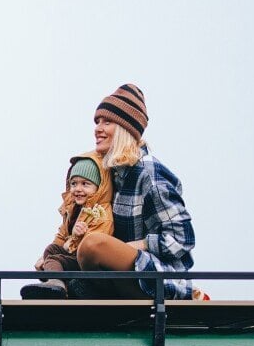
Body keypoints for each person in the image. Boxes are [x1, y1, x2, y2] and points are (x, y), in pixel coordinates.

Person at [69, 84, 197, 300]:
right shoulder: (114, 175)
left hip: (159, 276)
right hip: (126, 275)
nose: (98, 128)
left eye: (107, 122)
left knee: (93, 244)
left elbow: (182, 239)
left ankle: (192, 294)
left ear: (124, 129)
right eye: (97, 122)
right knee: (69, 259)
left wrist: (129, 247)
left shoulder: (149, 172)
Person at [19, 155, 113, 299]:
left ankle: (56, 284)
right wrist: (44, 258)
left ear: (99, 187)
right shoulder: (73, 208)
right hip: (72, 253)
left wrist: (77, 237)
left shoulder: (101, 212)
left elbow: (97, 245)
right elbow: (62, 236)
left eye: (85, 184)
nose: (78, 189)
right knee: (51, 250)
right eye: (74, 183)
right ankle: (55, 280)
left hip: (86, 261)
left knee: (55, 260)